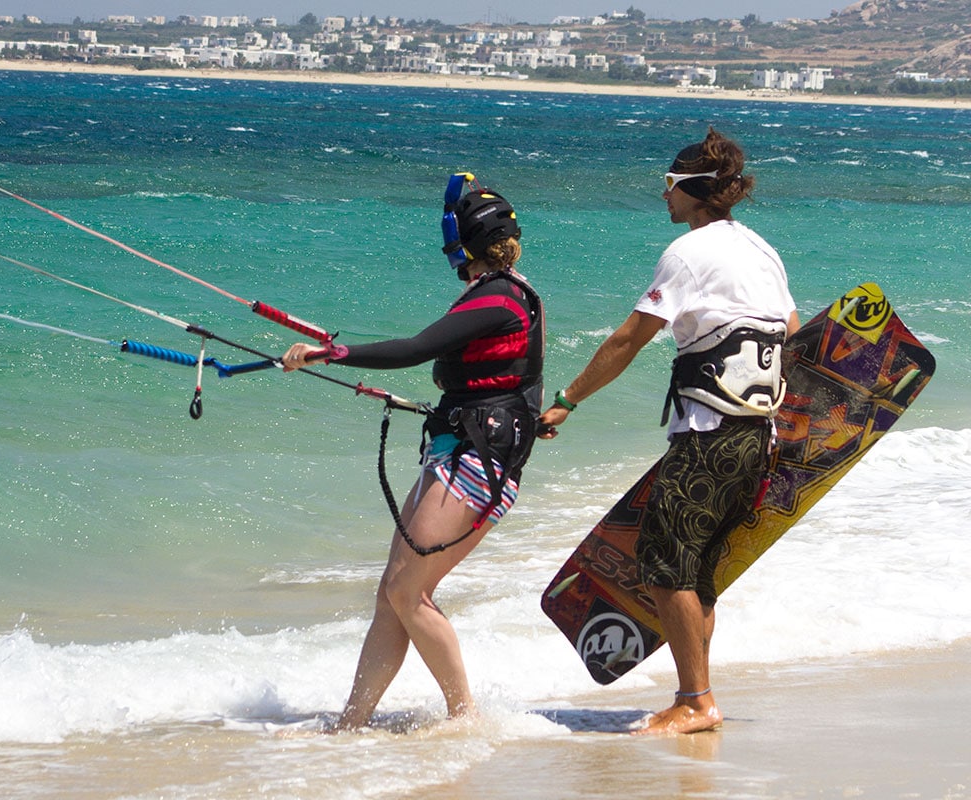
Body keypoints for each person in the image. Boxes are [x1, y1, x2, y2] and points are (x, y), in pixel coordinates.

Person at [538, 127, 800, 735]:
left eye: (669, 186)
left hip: (709, 433)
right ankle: (699, 695)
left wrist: (567, 400)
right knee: (698, 568)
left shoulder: (688, 255)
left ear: (692, 190)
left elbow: (630, 337)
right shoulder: (762, 250)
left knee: (663, 561)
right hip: (757, 435)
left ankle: (695, 701)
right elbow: (788, 324)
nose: (663, 197)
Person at [281, 174, 544, 731]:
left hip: (478, 462)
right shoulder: (502, 291)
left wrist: (332, 354)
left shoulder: (498, 295)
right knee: (393, 594)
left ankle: (464, 718)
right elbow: (513, 378)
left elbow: (417, 348)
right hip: (463, 449)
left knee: (408, 590)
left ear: (463, 244)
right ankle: (351, 724)